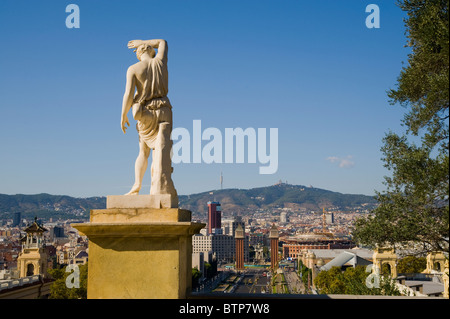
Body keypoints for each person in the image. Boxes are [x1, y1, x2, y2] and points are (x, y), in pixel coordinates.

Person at [121, 39, 176, 197]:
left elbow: (128, 95)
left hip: (146, 111)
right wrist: (142, 41)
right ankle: (157, 185)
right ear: (151, 50)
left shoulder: (134, 68)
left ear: (139, 53)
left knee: (143, 152)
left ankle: (137, 185)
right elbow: (163, 41)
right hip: (165, 109)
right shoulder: (160, 62)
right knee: (161, 150)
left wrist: (123, 114)